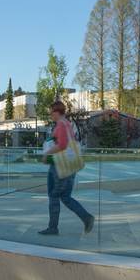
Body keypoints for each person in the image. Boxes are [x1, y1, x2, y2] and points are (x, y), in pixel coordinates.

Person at [39, 101, 94, 235]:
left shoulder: (61, 125)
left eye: (51, 112)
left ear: (56, 111)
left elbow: (62, 145)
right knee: (65, 197)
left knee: (54, 196)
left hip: (59, 166)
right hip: (68, 166)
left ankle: (53, 227)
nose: (50, 115)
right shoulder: (68, 124)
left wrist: (47, 153)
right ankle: (86, 217)